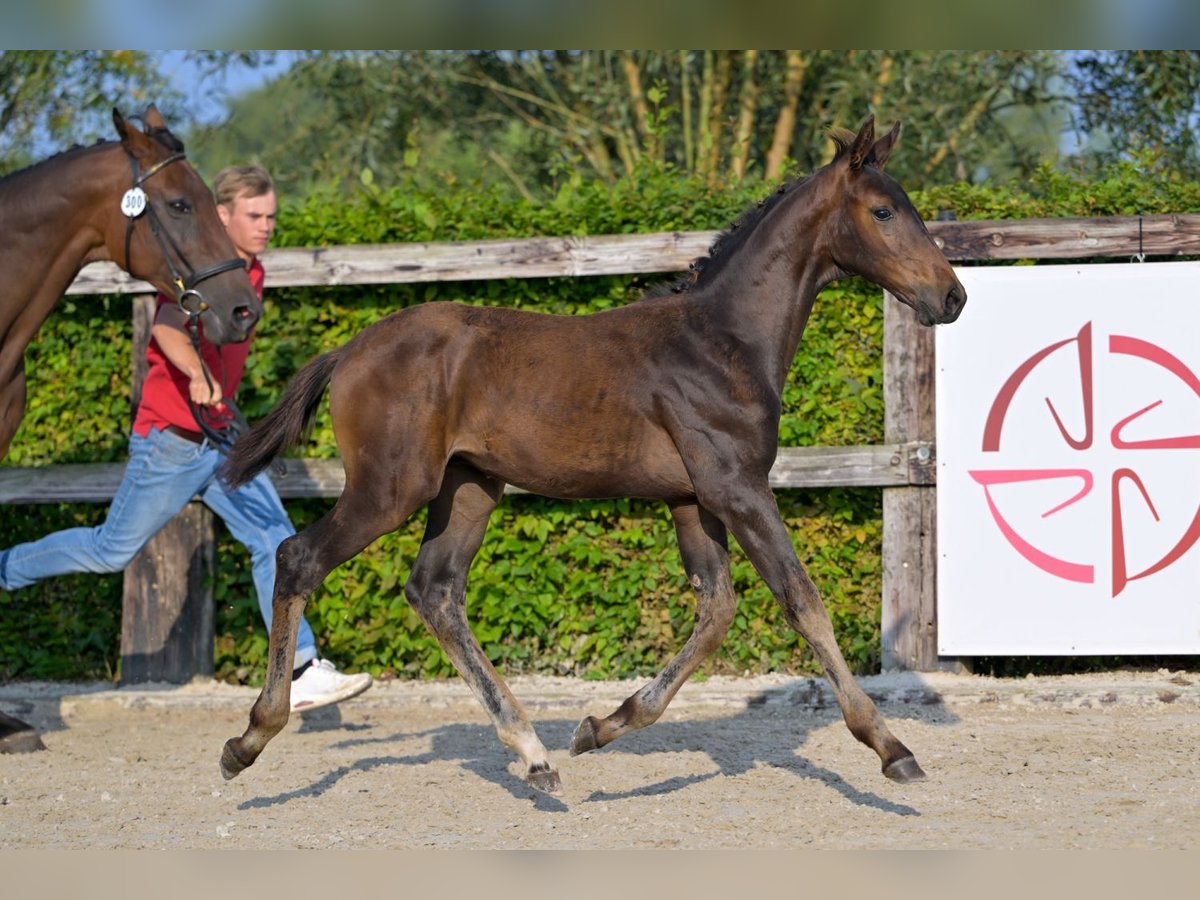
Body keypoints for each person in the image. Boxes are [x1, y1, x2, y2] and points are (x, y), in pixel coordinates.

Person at [0, 165, 371, 712]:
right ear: (222, 216)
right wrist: (197, 375)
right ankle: (5, 568)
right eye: (255, 215)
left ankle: (301, 666)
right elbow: (168, 329)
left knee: (274, 537)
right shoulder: (195, 271)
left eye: (271, 216)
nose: (266, 225)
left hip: (219, 439)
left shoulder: (253, 271)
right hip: (170, 443)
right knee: (110, 550)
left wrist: (224, 405)